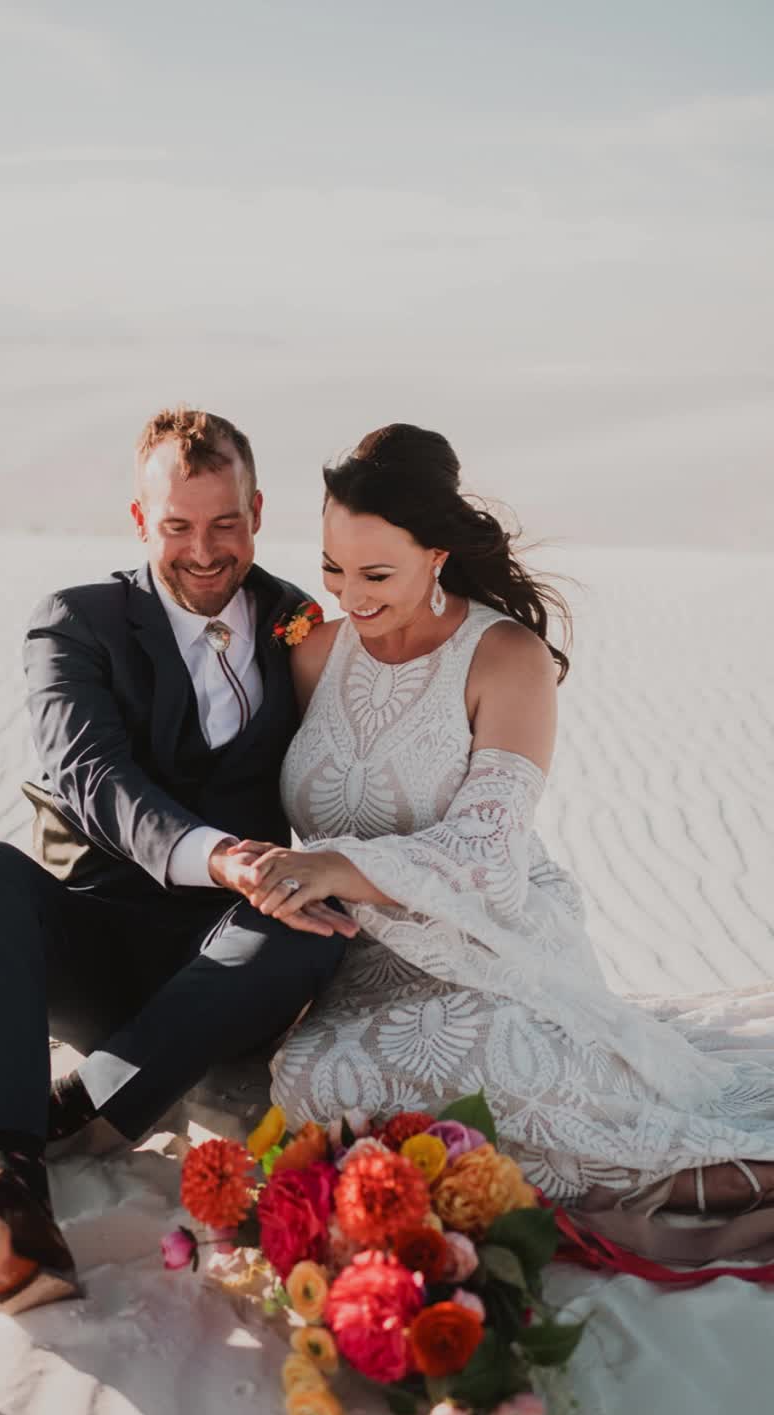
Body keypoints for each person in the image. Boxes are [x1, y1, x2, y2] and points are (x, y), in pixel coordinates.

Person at [242, 422, 774, 1265]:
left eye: (377, 574)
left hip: (498, 942)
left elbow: (488, 852)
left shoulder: (505, 658)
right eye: (334, 570)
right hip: (360, 957)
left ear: (438, 556)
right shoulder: (312, 650)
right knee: (308, 1082)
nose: (352, 596)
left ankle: (675, 1176)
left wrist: (343, 865)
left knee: (504, 1058)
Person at [0, 407, 354, 1314]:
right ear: (142, 524)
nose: (205, 551)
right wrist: (217, 858)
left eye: (225, 523)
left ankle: (54, 1107)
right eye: (179, 526)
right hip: (104, 944)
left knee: (314, 922)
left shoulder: (298, 620)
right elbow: (91, 776)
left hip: (235, 966)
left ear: (258, 512)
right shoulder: (76, 623)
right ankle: (11, 1187)